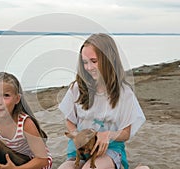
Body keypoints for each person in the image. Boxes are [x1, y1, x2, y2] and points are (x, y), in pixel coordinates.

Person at [57, 33, 146, 169]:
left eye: (94, 61)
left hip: (109, 151)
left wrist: (108, 135)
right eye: (85, 62)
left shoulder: (124, 93)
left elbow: (126, 133)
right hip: (81, 151)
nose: (88, 67)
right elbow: (70, 120)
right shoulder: (77, 88)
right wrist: (76, 135)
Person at [0, 72, 52, 169]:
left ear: (17, 99)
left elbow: (42, 160)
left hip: (31, 161)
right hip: (4, 159)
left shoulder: (25, 123)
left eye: (6, 95)